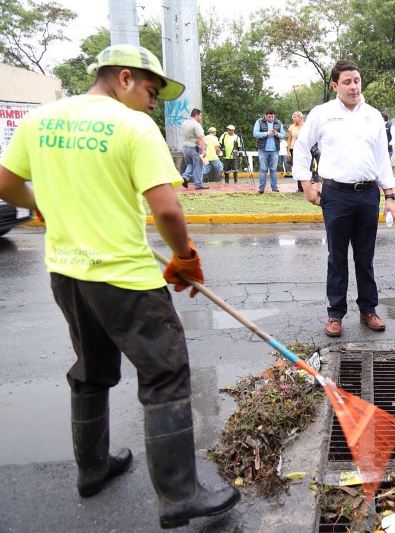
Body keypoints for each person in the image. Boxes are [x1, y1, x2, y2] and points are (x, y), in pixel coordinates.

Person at [0, 43, 239, 529]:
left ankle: (92, 470)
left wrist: (41, 205)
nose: (155, 104)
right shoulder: (133, 127)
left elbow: (5, 184)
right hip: (125, 278)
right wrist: (185, 257)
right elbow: (168, 209)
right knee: (166, 373)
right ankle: (179, 494)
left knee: (90, 370)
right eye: (152, 91)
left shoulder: (41, 121)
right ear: (125, 78)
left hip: (68, 276)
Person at [292, 60, 395, 338]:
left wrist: (389, 194)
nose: (354, 86)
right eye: (347, 82)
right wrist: (306, 183)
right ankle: (335, 314)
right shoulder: (322, 114)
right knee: (336, 257)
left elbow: (381, 158)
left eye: (357, 81)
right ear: (335, 85)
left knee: (365, 257)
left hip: (367, 195)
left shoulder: (373, 115)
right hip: (335, 195)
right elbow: (301, 147)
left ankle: (368, 310)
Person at [253, 108, 284, 193]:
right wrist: (267, 133)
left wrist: (276, 133)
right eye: (269, 117)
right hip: (263, 149)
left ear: (274, 115)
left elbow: (283, 135)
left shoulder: (278, 122)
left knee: (274, 169)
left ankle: (274, 188)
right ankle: (261, 188)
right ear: (265, 115)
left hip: (275, 150)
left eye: (272, 117)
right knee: (263, 169)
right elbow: (255, 134)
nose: (271, 118)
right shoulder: (259, 121)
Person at [181, 108, 208, 190]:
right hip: (194, 148)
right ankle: (198, 185)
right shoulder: (196, 125)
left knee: (190, 164)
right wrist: (203, 150)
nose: (200, 117)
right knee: (198, 166)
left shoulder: (184, 123)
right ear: (196, 115)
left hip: (185, 147)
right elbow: (201, 138)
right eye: (200, 115)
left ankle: (185, 177)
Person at [287, 111, 305, 192]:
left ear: (300, 118)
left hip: (303, 149)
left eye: (295, 117)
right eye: (293, 117)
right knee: (297, 167)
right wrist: (288, 151)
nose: (293, 119)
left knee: (305, 167)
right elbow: (289, 140)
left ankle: (306, 187)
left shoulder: (306, 126)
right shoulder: (291, 127)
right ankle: (299, 187)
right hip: (293, 149)